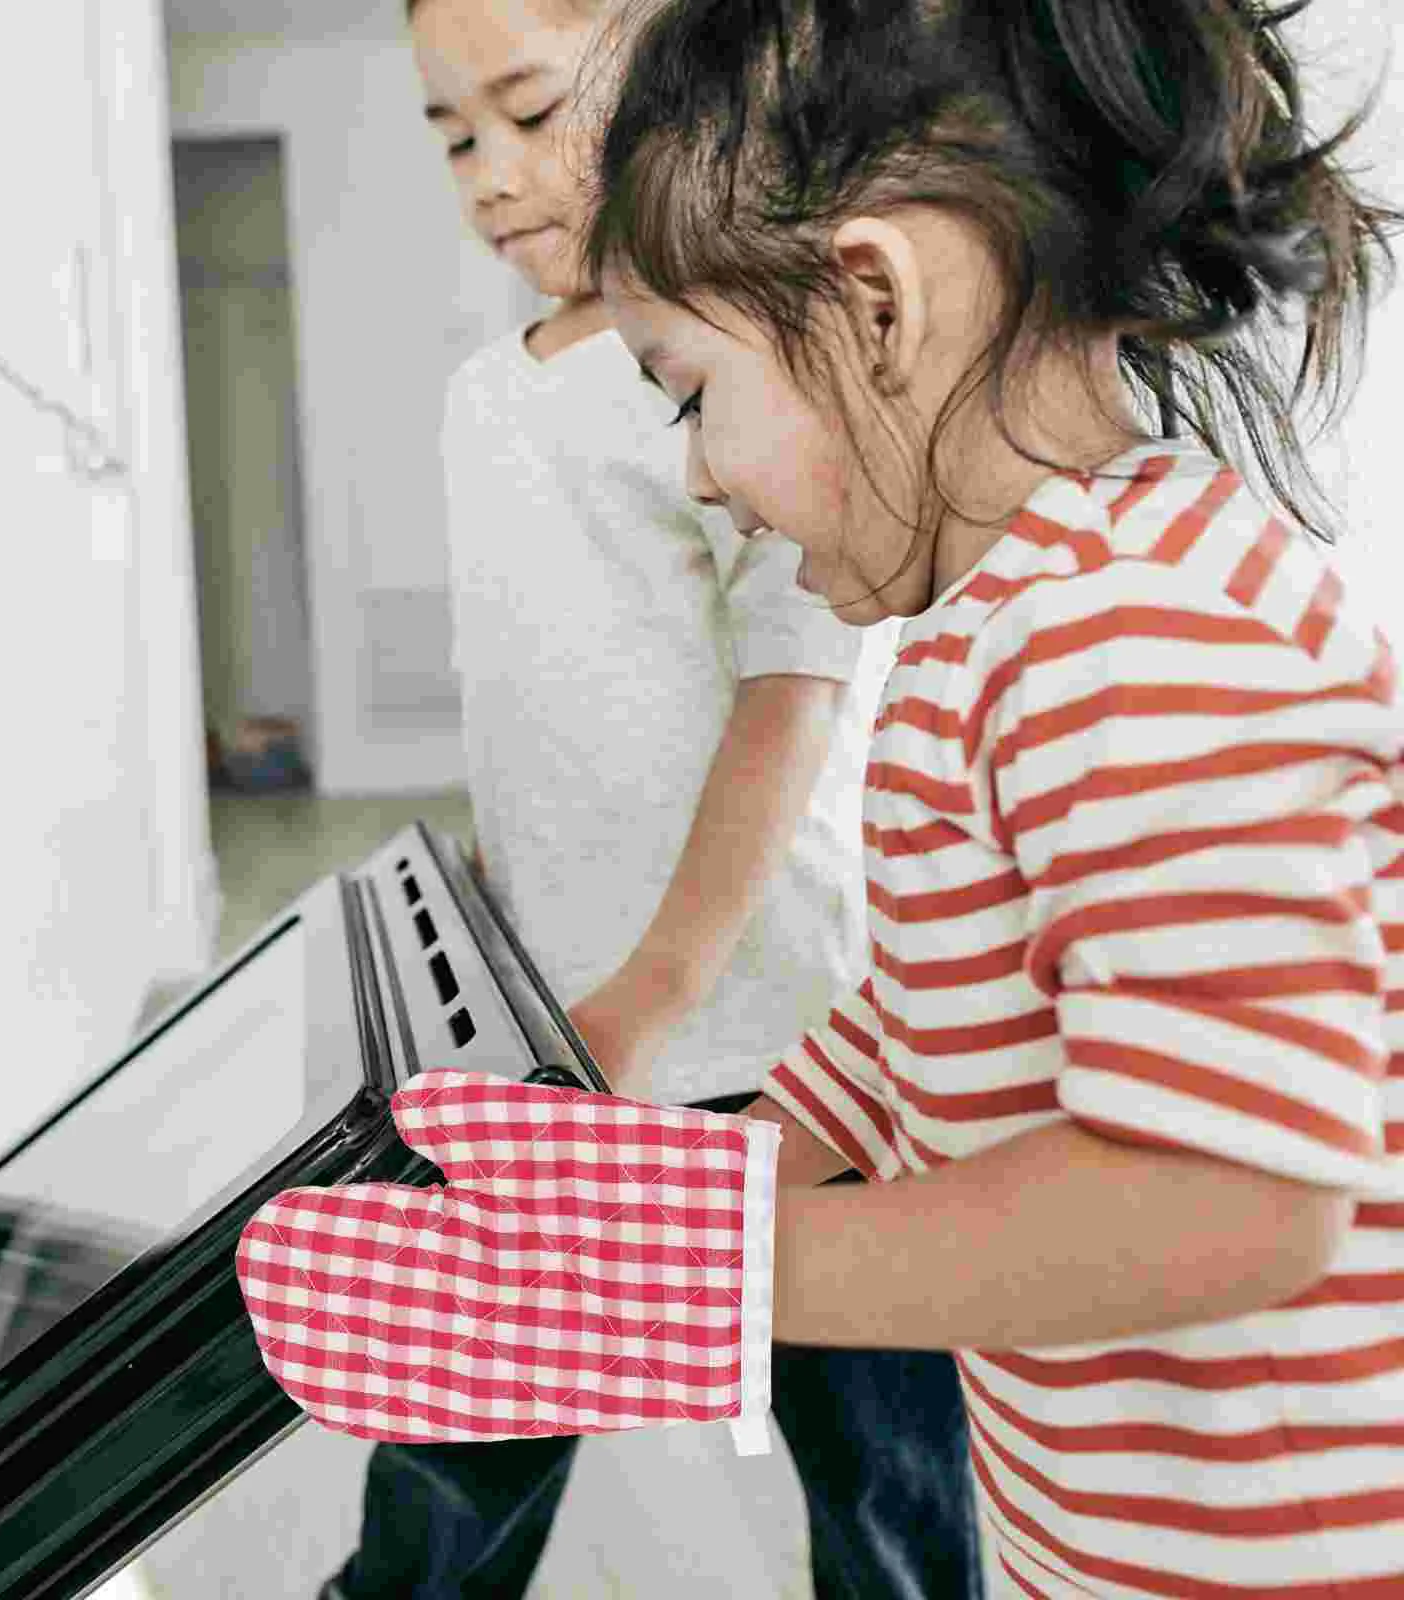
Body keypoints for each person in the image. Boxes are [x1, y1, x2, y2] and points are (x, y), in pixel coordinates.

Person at [574, 0, 1404, 1593]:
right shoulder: (1007, 629)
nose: (694, 471)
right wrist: (693, 1180)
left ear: (873, 302)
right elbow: (922, 1026)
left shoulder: (1131, 633)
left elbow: (1226, 1197)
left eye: (690, 393)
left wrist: (700, 1264)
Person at [321, 0, 986, 1596]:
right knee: (464, 1371)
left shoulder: (733, 366)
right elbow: (535, 698)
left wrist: (663, 984)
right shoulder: (482, 400)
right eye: (450, 134)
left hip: (769, 1024)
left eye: (531, 111)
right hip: (569, 1020)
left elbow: (792, 695)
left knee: (875, 1432)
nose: (490, 174)